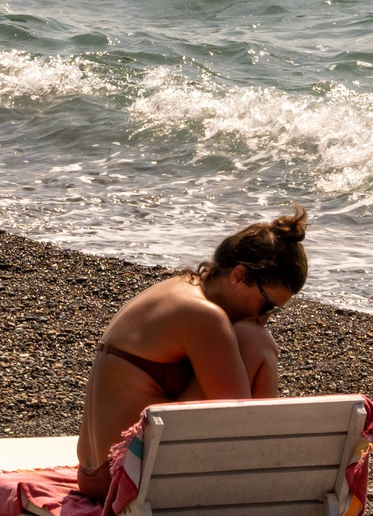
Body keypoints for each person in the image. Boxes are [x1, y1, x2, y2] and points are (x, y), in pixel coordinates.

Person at [75, 204, 306, 496]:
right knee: (256, 340)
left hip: (93, 474)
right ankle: (262, 485)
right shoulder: (204, 315)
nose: (265, 317)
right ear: (238, 276)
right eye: (266, 304)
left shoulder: (179, 289)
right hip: (124, 479)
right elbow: (244, 423)